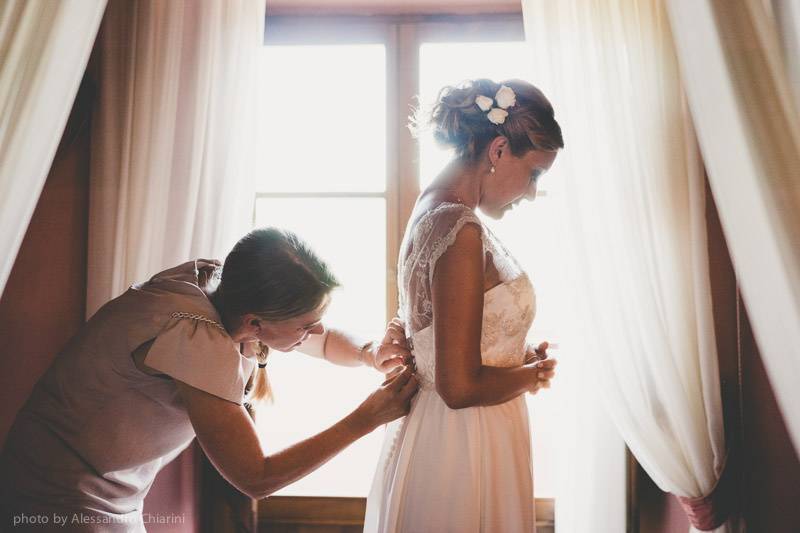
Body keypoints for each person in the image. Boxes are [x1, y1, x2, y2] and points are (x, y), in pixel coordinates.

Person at [0, 227, 418, 532]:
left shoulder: (226, 288)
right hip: (57, 502)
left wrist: (370, 352)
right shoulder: (193, 334)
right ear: (256, 322)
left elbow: (324, 343)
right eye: (306, 325)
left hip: (107, 498)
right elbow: (255, 477)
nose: (316, 333)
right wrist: (366, 419)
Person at [364, 79, 563, 533]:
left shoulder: (432, 208)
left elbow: (432, 322)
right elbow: (459, 386)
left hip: (447, 429)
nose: (531, 192)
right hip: (466, 439)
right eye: (533, 174)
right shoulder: (460, 229)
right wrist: (533, 375)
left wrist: (514, 351)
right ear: (497, 151)